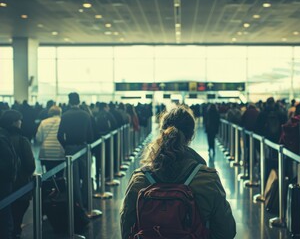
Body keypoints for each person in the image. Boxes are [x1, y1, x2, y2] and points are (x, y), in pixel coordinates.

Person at [120, 105, 236, 239]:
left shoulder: (139, 179)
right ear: (191, 135)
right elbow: (226, 231)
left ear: (162, 132)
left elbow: (126, 229)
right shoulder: (208, 179)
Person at [0, 110, 35, 239]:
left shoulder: (3, 136)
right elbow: (30, 165)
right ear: (14, 122)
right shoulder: (22, 140)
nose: (21, 122)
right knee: (12, 221)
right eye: (19, 120)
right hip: (20, 186)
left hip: (5, 187)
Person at [57, 92, 93, 209]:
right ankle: (87, 201)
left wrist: (66, 145)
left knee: (73, 178)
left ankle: (77, 203)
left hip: (70, 148)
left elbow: (59, 135)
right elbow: (90, 135)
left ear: (69, 101)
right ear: (79, 100)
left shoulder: (65, 115)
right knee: (86, 175)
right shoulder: (86, 115)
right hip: (83, 147)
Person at [36, 105, 65, 173]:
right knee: (60, 175)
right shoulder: (62, 122)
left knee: (48, 175)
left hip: (46, 153)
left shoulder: (43, 122)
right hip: (59, 152)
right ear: (60, 112)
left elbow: (39, 138)